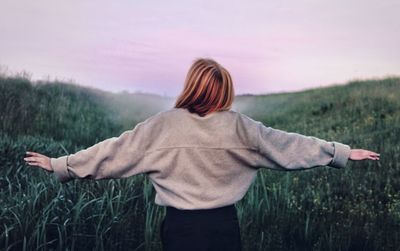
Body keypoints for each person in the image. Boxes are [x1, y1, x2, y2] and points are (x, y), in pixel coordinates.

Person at [24, 58, 380, 251]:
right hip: (224, 226)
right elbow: (289, 145)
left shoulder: (163, 125)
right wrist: (341, 153)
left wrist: (61, 165)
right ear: (225, 90)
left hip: (181, 229)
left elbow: (115, 152)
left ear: (191, 86)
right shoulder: (242, 127)